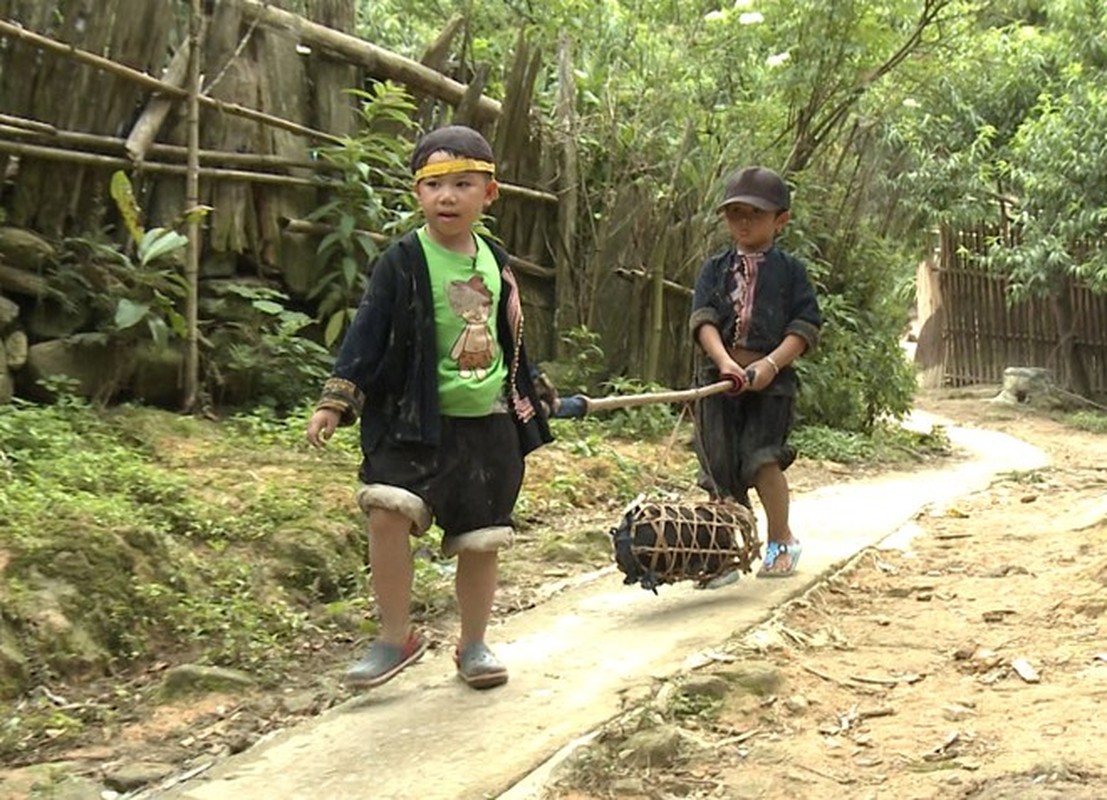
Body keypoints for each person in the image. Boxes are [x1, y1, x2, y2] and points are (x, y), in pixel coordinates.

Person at [306, 124, 552, 690]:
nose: (448, 196)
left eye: (463, 183)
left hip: (487, 424)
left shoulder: (495, 259)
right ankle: (396, 636)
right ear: (417, 193)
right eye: (434, 184)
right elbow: (367, 333)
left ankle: (474, 644)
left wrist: (532, 387)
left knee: (481, 537)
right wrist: (337, 399)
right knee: (387, 512)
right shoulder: (402, 260)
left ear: (489, 193)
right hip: (412, 420)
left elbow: (510, 334)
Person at [688, 165, 822, 578]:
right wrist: (725, 362)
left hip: (771, 384)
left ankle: (781, 541)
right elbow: (704, 320)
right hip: (717, 382)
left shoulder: (791, 271)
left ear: (781, 220)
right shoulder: (714, 268)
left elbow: (804, 327)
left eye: (756, 214)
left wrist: (769, 364)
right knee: (719, 471)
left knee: (763, 461)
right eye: (735, 214)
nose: (744, 222)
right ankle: (723, 553)